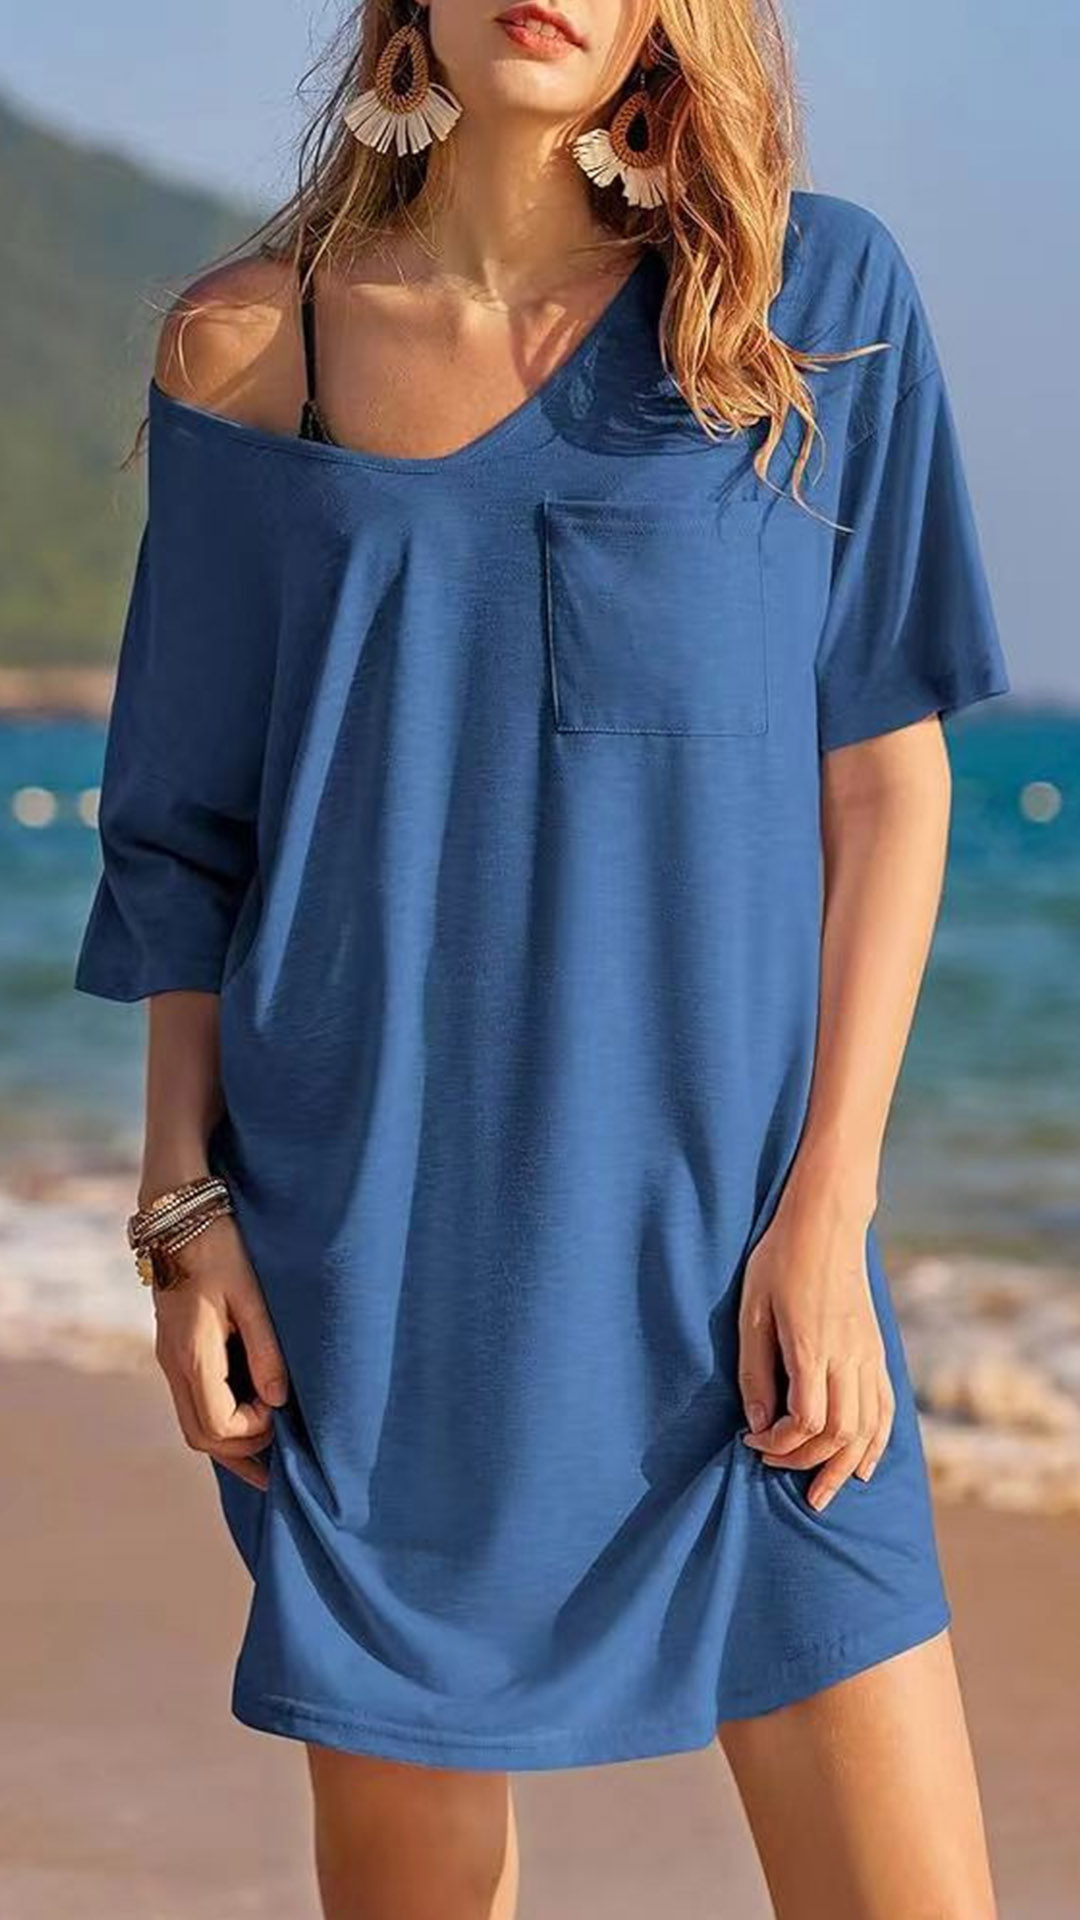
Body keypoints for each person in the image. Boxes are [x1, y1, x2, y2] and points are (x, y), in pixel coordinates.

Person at [73, 0, 1012, 1914]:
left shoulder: (802, 301)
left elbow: (886, 785)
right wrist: (184, 1214)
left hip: (748, 1287)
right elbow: (185, 839)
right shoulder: (254, 347)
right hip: (378, 1286)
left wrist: (829, 1215)